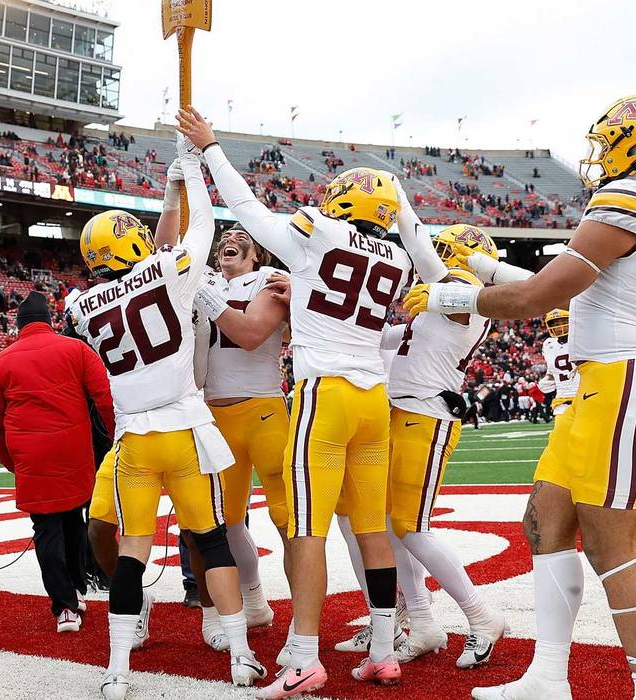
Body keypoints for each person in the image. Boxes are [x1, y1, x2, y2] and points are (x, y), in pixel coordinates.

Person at [414, 95, 636, 700]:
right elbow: (583, 295)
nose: (599, 154)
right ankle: (547, 676)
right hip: (607, 380)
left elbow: (539, 299)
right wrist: (489, 269)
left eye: (610, 139)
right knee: (545, 521)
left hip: (626, 379)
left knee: (611, 544)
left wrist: (454, 297)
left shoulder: (631, 198)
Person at [178, 106, 448, 697]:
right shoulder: (399, 259)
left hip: (324, 395)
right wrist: (303, 286)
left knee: (307, 530)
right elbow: (352, 293)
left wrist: (212, 147)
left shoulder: (317, 230)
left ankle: (303, 654)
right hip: (373, 398)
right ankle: (382, 650)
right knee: (372, 527)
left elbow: (248, 210)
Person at [68, 137, 264, 700]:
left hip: (134, 442)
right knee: (212, 541)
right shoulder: (170, 272)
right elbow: (199, 228)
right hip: (184, 432)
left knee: (132, 554)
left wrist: (171, 186)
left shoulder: (81, 306)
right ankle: (241, 656)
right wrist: (190, 175)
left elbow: (145, 266)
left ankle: (117, 670)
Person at [381, 228, 508, 668]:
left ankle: (481, 616)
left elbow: (453, 298)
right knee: (392, 524)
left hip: (427, 416)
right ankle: (421, 622)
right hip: (400, 412)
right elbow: (394, 339)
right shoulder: (439, 301)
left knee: (409, 524)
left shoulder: (464, 296)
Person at [0, 291, 114, 633]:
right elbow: (104, 398)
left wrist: (9, 460)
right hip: (74, 451)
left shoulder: (3, 360)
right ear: (49, 321)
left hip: (31, 455)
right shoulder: (76, 349)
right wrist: (115, 438)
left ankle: (65, 604)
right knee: (73, 520)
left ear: (18, 325)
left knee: (47, 530)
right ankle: (77, 590)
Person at [189, 225, 290, 648]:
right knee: (224, 523)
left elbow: (250, 337)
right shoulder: (200, 279)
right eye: (225, 234)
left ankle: (304, 617)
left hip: (264, 408)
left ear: (257, 253)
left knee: (290, 521)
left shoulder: (269, 281)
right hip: (214, 413)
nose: (229, 237)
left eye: (240, 234)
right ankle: (254, 601)